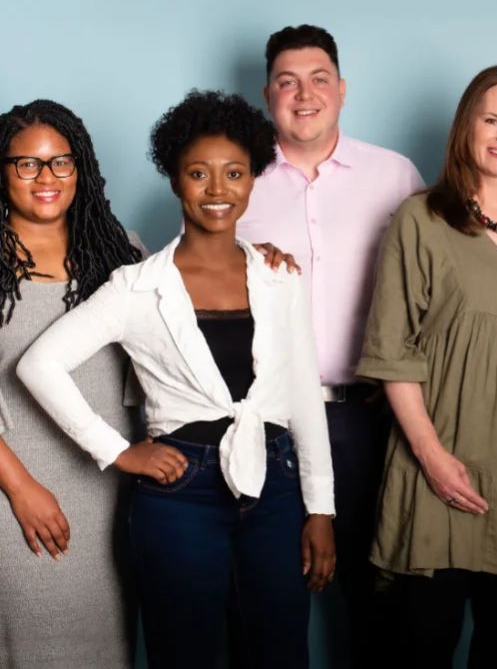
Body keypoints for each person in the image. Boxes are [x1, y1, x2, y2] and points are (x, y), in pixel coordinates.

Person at [17, 90, 335, 669]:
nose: (218, 189)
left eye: (234, 173)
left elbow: (303, 397)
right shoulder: (134, 285)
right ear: (175, 181)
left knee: (279, 652)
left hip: (277, 487)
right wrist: (117, 453)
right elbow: (37, 365)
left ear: (253, 179)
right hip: (180, 497)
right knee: (183, 653)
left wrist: (320, 509)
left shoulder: (279, 275)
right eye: (199, 173)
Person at [356, 65, 497, 668]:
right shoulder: (420, 219)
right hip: (442, 460)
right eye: (492, 119)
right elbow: (392, 352)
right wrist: (432, 458)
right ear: (467, 127)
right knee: (424, 640)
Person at [236, 24, 424, 666]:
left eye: (318, 79)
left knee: (378, 598)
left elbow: (433, 292)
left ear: (341, 90)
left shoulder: (395, 176)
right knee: (267, 597)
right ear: (268, 95)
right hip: (271, 422)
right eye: (287, 81)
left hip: (368, 419)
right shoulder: (238, 182)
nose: (304, 93)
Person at [0, 99, 144, 668]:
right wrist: (20, 488)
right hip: (20, 489)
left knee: (108, 650)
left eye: (60, 162)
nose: (46, 178)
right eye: (27, 164)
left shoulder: (123, 253)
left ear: (80, 168)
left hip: (115, 490)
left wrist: (258, 259)